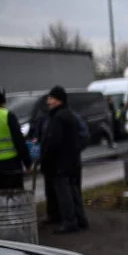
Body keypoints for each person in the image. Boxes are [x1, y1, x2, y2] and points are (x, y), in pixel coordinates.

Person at [41, 86, 88, 233]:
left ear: (58, 100)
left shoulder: (58, 117)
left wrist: (46, 156)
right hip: (72, 160)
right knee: (74, 191)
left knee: (64, 192)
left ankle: (69, 222)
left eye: (51, 98)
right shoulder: (69, 115)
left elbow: (54, 141)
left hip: (60, 162)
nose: (48, 101)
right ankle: (80, 219)